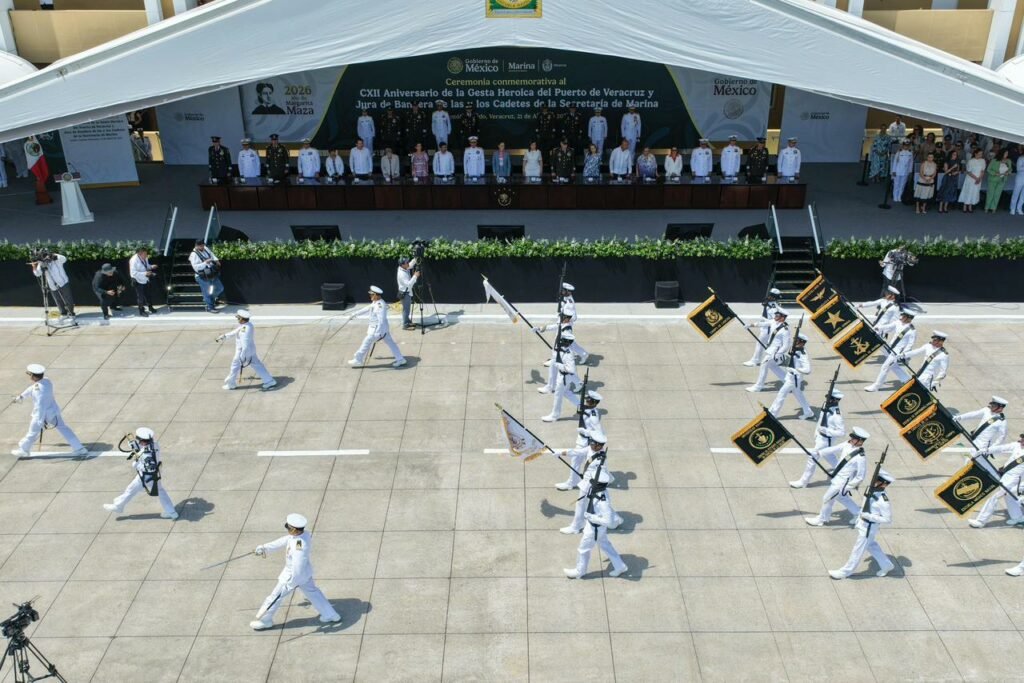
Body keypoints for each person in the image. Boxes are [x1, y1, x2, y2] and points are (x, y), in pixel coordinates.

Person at [250, 513, 341, 630]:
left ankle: (265, 620)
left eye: (288, 527)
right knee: (313, 593)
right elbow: (284, 540)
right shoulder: (301, 535)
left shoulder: (299, 546)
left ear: (294, 529)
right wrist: (264, 548)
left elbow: (298, 566)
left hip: (293, 575)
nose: (287, 529)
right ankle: (330, 615)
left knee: (274, 597)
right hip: (304, 575)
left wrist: (292, 582)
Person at [828, 470, 895, 579]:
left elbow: (888, 519)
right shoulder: (870, 489)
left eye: (878, 481)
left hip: (869, 527)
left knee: (857, 550)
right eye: (875, 480)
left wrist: (869, 516)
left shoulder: (883, 501)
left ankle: (845, 572)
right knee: (871, 545)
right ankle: (886, 564)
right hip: (862, 523)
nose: (874, 482)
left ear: (884, 484)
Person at [9, 364, 88, 457]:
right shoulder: (46, 381)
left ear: (33, 376)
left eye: (30, 374)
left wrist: (40, 420)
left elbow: (41, 406)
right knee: (64, 428)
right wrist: (21, 396)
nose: (29, 376)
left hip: (42, 414)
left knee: (32, 432)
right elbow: (31, 388)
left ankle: (24, 450)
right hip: (53, 412)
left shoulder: (39, 390)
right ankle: (79, 448)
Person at [564, 468, 627, 579]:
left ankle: (580, 571)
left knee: (583, 549)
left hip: (595, 529)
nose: (590, 482)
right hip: (594, 526)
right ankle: (620, 566)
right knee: (606, 545)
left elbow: (609, 522)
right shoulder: (598, 491)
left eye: (592, 480)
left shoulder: (603, 502)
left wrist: (592, 518)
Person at [102, 427, 178, 519]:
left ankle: (118, 506)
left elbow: (149, 468)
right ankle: (171, 512)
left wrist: (136, 463)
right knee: (160, 492)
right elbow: (143, 449)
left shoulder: (146, 454)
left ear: (142, 441)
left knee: (130, 490)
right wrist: (134, 446)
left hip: (146, 477)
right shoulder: (155, 445)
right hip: (155, 475)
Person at [804, 427, 870, 527]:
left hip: (843, 482)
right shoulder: (847, 444)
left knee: (827, 498)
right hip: (837, 478)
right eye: (852, 437)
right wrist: (819, 453)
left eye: (854, 438)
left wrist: (848, 486)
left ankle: (821, 519)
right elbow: (834, 448)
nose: (852, 439)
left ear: (860, 441)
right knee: (842, 498)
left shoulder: (860, 457)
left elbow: (860, 476)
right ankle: (858, 515)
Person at [557, 429, 611, 534]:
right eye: (591, 443)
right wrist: (560, 453)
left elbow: (601, 476)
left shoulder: (600, 460)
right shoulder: (591, 449)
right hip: (586, 482)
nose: (591, 445)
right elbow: (577, 452)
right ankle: (615, 520)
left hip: (591, 486)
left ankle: (576, 527)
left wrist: (590, 487)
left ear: (599, 446)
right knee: (593, 506)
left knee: (582, 505)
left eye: (593, 444)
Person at [790, 389, 845, 489]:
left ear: (835, 400)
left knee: (812, 458)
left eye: (829, 398)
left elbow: (841, 432)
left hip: (826, 440)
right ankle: (843, 472)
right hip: (820, 437)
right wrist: (817, 432)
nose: (827, 400)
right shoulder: (825, 405)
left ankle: (803, 482)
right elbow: (821, 419)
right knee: (829, 456)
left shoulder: (836, 416)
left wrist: (826, 431)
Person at [347, 285, 406, 368]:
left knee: (366, 342)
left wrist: (378, 333)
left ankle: (358, 359)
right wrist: (355, 314)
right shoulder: (375, 302)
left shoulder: (380, 306)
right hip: (382, 330)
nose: (370, 296)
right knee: (391, 343)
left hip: (377, 330)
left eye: (372, 295)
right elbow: (368, 308)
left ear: (376, 295)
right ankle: (400, 359)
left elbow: (381, 320)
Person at [217, 309, 277, 390]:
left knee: (234, 367)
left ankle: (231, 384)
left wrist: (242, 357)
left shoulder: (245, 329)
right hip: (249, 351)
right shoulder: (246, 325)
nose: (237, 319)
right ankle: (269, 381)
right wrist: (224, 336)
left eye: (238, 318)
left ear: (242, 319)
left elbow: (245, 345)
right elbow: (235, 331)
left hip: (243, 352)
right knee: (257, 365)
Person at [556, 391, 604, 491]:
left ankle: (572, 482)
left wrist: (586, 432)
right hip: (581, 438)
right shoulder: (587, 409)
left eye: (589, 401)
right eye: (587, 400)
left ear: (594, 403)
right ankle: (606, 478)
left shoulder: (593, 417)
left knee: (576, 461)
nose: (586, 402)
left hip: (586, 441)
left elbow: (599, 432)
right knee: (587, 462)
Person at [979, 434, 1024, 534]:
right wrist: (986, 450)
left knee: (994, 497)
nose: (1021, 440)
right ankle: (1018, 517)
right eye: (1022, 438)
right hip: (1005, 476)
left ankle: (980, 521)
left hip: (1015, 481)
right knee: (1009, 496)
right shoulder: (1017, 445)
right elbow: (1002, 448)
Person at [864, 308, 917, 392]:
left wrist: (904, 354)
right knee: (894, 366)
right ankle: (906, 379)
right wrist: (878, 327)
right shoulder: (898, 322)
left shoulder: (912, 331)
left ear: (909, 318)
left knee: (885, 367)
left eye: (904, 316)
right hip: (890, 347)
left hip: (897, 352)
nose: (902, 317)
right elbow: (888, 327)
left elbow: (910, 344)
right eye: (902, 316)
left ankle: (876, 386)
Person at [954, 397, 1008, 471]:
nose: (992, 406)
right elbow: (973, 414)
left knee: (975, 466)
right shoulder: (987, 410)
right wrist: (959, 417)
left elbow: (1002, 437)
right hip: (974, 441)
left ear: (1000, 408)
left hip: (983, 446)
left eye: (994, 405)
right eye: (992, 404)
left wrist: (991, 449)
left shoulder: (1001, 421)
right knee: (967, 462)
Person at [745, 308, 791, 392]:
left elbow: (786, 345)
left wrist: (778, 354)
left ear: (782, 318)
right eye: (775, 315)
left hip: (775, 352)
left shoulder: (785, 330)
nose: (775, 316)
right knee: (773, 366)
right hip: (770, 349)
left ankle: (758, 386)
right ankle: (789, 383)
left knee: (764, 365)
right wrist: (750, 325)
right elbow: (762, 324)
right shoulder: (774, 322)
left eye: (777, 315)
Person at [769, 333, 813, 420]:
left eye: (797, 341)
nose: (794, 342)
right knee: (799, 395)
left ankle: (773, 414)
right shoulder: (795, 349)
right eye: (795, 340)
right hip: (791, 377)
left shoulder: (802, 355)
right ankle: (808, 412)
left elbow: (808, 370)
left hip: (794, 379)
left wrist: (796, 370)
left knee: (781, 394)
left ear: (802, 343)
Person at [541, 332, 580, 422]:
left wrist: (559, 365)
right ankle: (581, 406)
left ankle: (555, 415)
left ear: (566, 342)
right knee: (566, 392)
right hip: (562, 376)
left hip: (564, 377)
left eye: (563, 340)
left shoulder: (568, 354)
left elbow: (571, 370)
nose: (560, 341)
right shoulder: (564, 350)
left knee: (558, 396)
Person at [31, 250, 75, 320]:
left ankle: (71, 313)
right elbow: (37, 274)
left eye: (45, 256)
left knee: (68, 299)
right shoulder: (42, 263)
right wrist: (34, 266)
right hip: (52, 285)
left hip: (63, 282)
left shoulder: (56, 259)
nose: (45, 258)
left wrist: (53, 255)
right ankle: (63, 313)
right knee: (58, 300)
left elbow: (64, 259)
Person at [743, 287, 781, 367]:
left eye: (770, 295)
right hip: (765, 328)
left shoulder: (772, 308)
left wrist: (752, 325)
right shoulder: (769, 304)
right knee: (766, 345)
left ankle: (755, 361)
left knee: (760, 344)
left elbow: (771, 322)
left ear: (773, 297)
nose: (768, 296)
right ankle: (774, 360)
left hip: (767, 329)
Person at [189, 239, 223, 313]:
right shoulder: (193, 254)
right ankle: (210, 307)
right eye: (201, 246)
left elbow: (212, 255)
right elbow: (196, 267)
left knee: (220, 288)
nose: (202, 247)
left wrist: (216, 260)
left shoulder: (205, 248)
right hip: (202, 276)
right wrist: (205, 263)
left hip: (211, 273)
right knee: (207, 292)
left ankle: (209, 300)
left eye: (203, 245)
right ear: (196, 246)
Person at [128, 247, 158, 317]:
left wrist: (151, 266)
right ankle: (141, 311)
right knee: (140, 297)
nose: (146, 256)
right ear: (139, 254)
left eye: (146, 254)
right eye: (145, 254)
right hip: (138, 280)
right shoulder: (133, 260)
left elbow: (146, 266)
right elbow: (133, 273)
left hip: (145, 279)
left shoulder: (145, 257)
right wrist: (145, 273)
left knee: (148, 294)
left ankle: (150, 307)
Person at [959, 148, 985, 212]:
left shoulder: (983, 161)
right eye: (979, 154)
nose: (980, 155)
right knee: (968, 191)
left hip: (978, 179)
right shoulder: (971, 161)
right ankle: (965, 206)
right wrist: (976, 178)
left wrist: (979, 178)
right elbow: (968, 172)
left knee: (974, 192)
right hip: (971, 179)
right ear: (975, 154)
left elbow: (982, 171)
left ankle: (970, 206)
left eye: (981, 154)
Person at [396, 257, 420, 330]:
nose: (408, 263)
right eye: (406, 262)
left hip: (406, 292)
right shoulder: (401, 274)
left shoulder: (404, 268)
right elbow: (409, 284)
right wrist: (415, 276)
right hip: (405, 293)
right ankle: (405, 325)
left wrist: (415, 259)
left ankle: (408, 322)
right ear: (402, 265)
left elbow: (410, 265)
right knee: (406, 310)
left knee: (407, 309)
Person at [985, 149, 1011, 213]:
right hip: (993, 179)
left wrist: (1008, 173)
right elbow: (988, 169)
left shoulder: (1008, 161)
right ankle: (987, 207)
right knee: (990, 193)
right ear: (1002, 153)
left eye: (1007, 153)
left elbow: (1010, 169)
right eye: (1005, 153)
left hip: (1002, 180)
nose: (1007, 155)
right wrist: (995, 173)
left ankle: (994, 208)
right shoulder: (994, 160)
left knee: (997, 194)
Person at [936, 149, 961, 213]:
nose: (955, 156)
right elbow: (945, 172)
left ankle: (945, 207)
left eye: (956, 155)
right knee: (944, 191)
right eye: (954, 154)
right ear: (950, 155)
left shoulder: (957, 162)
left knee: (950, 192)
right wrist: (952, 168)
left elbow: (958, 170)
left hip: (954, 178)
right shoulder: (946, 162)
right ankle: (940, 207)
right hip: (947, 178)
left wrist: (956, 172)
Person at [1011, 145, 1024, 215]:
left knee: (1023, 195)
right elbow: (1018, 169)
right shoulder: (1021, 158)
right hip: (1020, 178)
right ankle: (1012, 208)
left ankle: (1019, 208)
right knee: (1016, 193)